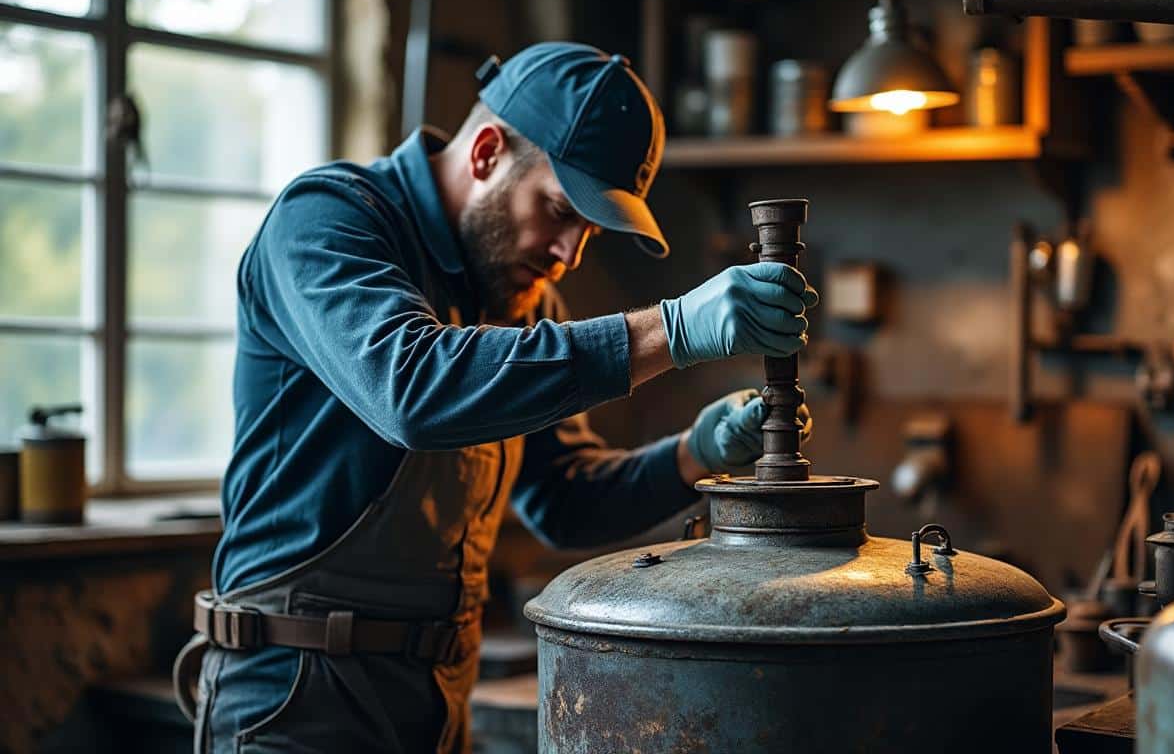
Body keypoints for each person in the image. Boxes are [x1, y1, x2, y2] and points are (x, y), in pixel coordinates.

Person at [183, 42, 816, 753]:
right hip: (296, 698)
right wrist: (669, 330)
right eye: (558, 209)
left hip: (437, 700)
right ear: (486, 151)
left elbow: (563, 497)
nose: (569, 253)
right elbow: (414, 390)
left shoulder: (520, 300)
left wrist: (691, 455)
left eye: (590, 231)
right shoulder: (328, 220)